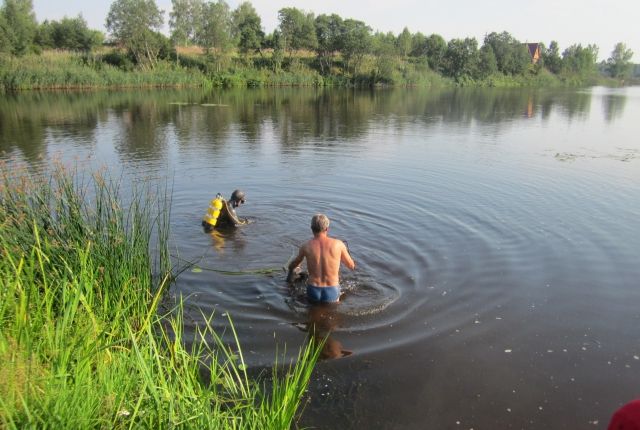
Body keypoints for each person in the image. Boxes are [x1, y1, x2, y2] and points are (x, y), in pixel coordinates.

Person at [287, 214, 355, 304]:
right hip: (332, 289)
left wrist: (290, 268)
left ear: (312, 228)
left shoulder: (306, 246)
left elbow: (295, 263)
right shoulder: (338, 244)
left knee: (312, 312)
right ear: (327, 229)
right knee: (333, 313)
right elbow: (351, 266)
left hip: (313, 289)